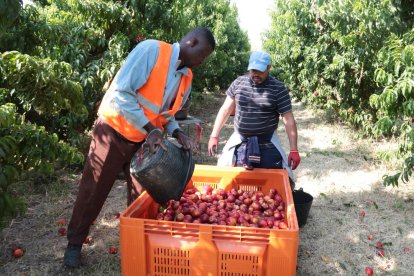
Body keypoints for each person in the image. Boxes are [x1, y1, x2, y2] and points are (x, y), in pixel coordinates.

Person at [64, 27, 215, 268]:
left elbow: (166, 114)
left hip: (143, 139)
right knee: (94, 189)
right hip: (113, 130)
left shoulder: (185, 77)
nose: (202, 61)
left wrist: (176, 132)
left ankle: (140, 246)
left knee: (143, 196)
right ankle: (74, 243)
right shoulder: (152, 51)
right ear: (191, 41)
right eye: (203, 54)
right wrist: (151, 129)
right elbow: (121, 94)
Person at [208, 50, 300, 183]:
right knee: (229, 179)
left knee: (279, 180)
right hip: (240, 140)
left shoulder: (278, 89)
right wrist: (214, 135)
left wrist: (294, 149)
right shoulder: (239, 83)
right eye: (252, 70)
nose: (255, 74)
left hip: (267, 142)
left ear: (269, 67)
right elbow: (225, 109)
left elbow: (288, 118)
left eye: (260, 71)